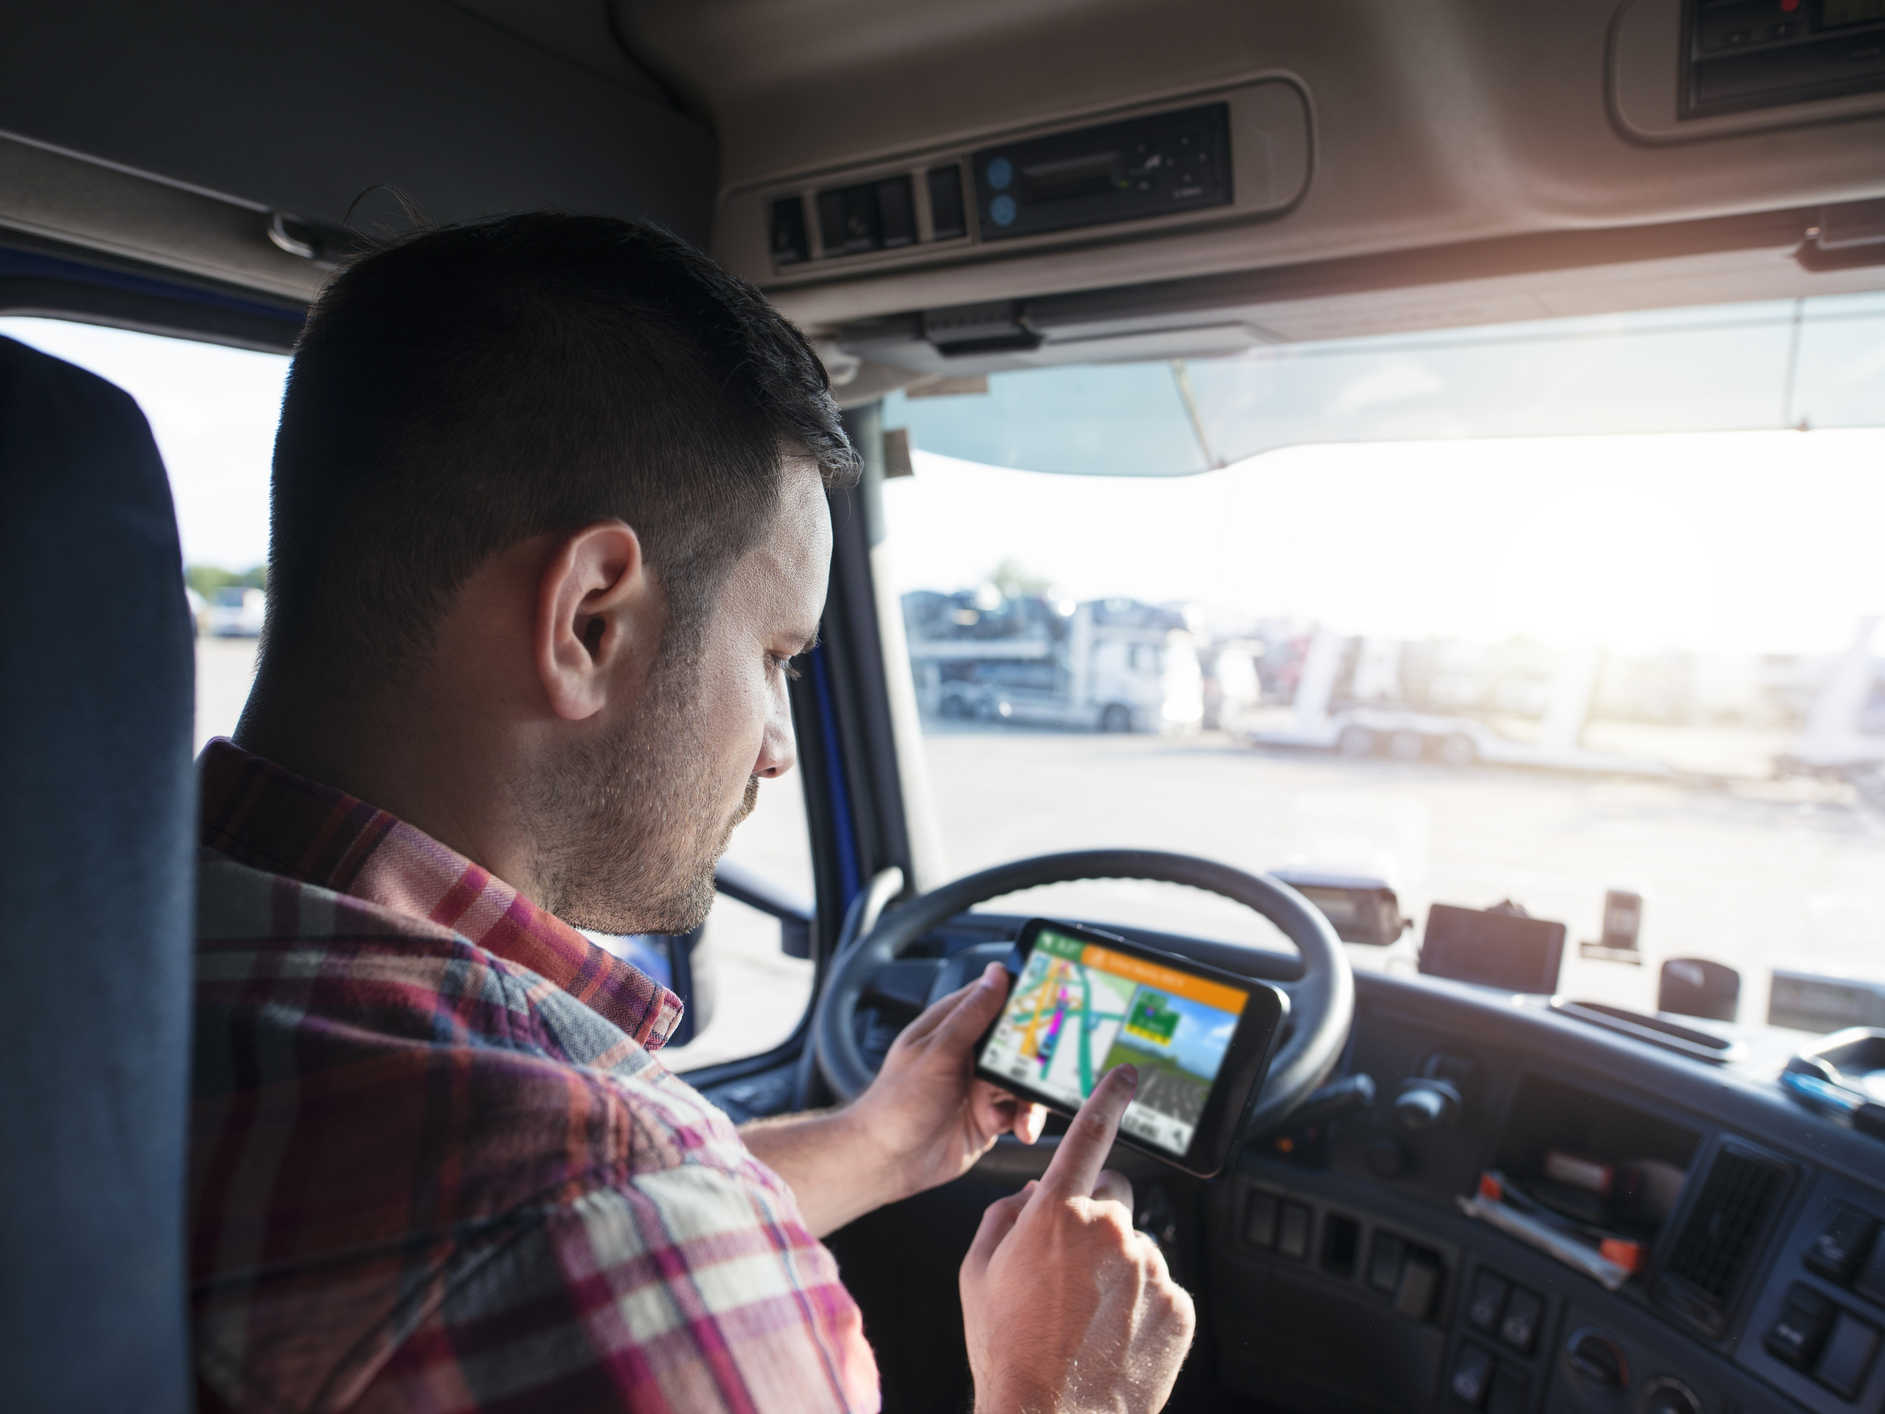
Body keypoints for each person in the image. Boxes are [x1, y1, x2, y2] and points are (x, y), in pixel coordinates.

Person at [190, 213, 1194, 1414]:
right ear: (588, 620)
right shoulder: (603, 1223)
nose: (777, 746)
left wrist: (881, 1144)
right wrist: (1064, 1393)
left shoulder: (124, 934)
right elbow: (596, 1222)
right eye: (774, 653)